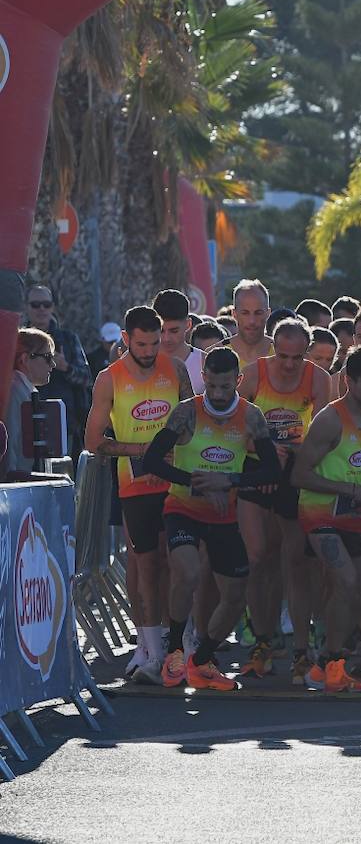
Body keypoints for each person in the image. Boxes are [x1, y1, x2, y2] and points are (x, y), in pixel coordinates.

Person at [141, 346, 281, 691]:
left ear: (238, 380)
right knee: (187, 573)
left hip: (223, 514)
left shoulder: (252, 417)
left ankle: (201, 660)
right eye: (212, 386)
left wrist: (228, 481)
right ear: (204, 379)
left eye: (225, 387)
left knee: (235, 595)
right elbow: (152, 461)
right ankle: (175, 649)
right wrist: (196, 482)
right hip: (183, 508)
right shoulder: (187, 412)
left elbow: (272, 470)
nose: (218, 395)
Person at [84, 306, 193, 683]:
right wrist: (144, 450)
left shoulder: (176, 370)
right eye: (141, 344)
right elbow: (94, 441)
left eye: (154, 342)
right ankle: (149, 648)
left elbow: (192, 423)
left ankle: (179, 642)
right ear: (126, 340)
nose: (148, 351)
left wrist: (177, 447)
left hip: (175, 482)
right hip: (135, 484)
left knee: (177, 561)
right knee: (146, 565)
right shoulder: (108, 378)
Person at [235, 318, 333, 682]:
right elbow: (231, 426)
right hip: (257, 470)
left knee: (296, 561)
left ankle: (302, 649)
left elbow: (324, 434)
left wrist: (295, 452)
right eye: (283, 355)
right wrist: (260, 448)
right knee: (258, 557)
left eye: (296, 357)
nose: (289, 364)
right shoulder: (254, 373)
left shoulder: (318, 379)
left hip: (294, 473)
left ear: (306, 352)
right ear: (272, 347)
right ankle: (262, 639)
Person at [292, 345, 361, 693]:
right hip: (320, 513)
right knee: (347, 583)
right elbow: (299, 475)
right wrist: (353, 491)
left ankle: (324, 664)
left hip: (355, 513)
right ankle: (332, 662)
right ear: (348, 382)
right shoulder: (330, 420)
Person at [26, 284, 92, 452]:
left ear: (53, 307)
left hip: (65, 424)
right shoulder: (19, 341)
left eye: (46, 304)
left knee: (66, 475)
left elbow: (87, 378)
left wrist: (66, 367)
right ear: (26, 307)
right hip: (26, 421)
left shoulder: (68, 339)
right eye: (35, 305)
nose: (41, 309)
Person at [6, 328, 58, 477]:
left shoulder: (22, 389)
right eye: (47, 357)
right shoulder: (14, 391)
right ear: (24, 359)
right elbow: (9, 443)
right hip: (17, 489)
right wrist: (10, 485)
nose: (53, 364)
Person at [152, 289, 205, 396]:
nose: (166, 338)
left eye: (174, 331)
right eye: (161, 330)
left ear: (188, 324)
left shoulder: (204, 362)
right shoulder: (138, 360)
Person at [225, 279, 274, 367]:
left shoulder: (283, 354)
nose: (252, 321)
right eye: (245, 313)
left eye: (258, 313)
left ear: (268, 313)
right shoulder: (216, 354)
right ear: (234, 314)